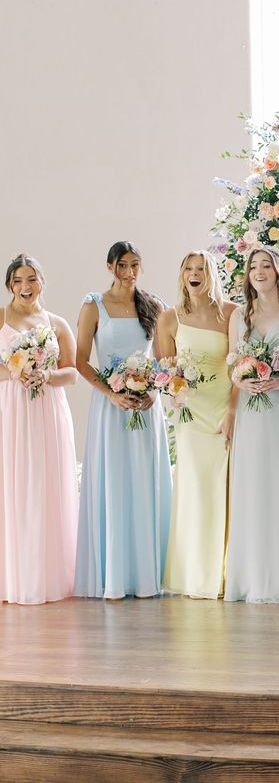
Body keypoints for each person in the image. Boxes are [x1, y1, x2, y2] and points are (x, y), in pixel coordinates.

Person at [74, 241, 172, 599]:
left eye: (135, 265)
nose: (130, 272)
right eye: (123, 266)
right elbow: (81, 360)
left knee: (145, 481)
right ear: (109, 267)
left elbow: (163, 360)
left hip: (146, 407)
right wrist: (113, 394)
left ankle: (148, 576)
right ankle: (112, 575)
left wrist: (153, 393)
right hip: (110, 407)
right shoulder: (93, 306)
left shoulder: (154, 305)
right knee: (115, 481)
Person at [223, 247, 279, 603]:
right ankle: (251, 577)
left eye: (266, 266)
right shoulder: (239, 314)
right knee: (252, 487)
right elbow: (231, 365)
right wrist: (241, 381)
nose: (259, 271)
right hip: (251, 411)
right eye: (253, 266)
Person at [157, 250, 236, 598]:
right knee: (194, 489)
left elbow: (238, 369)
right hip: (190, 414)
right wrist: (173, 392)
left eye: (201, 268)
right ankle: (195, 575)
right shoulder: (169, 318)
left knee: (226, 489)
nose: (195, 273)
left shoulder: (231, 313)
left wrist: (233, 411)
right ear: (182, 274)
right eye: (188, 268)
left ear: (211, 274)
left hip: (224, 410)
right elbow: (164, 370)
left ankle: (225, 574)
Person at [0, 254, 78, 604]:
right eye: (18, 280)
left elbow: (72, 373)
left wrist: (44, 375)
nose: (25, 287)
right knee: (12, 486)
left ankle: (47, 575)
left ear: (41, 282)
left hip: (47, 409)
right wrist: (14, 373)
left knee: (45, 486)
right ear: (9, 285)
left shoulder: (57, 323)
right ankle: (12, 577)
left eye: (31, 279)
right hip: (10, 410)